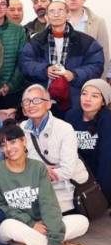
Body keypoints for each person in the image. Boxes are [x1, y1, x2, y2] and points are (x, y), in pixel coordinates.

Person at [0, 121, 89, 245]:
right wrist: (31, 224)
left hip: (41, 223)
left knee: (82, 221)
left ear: (24, 141)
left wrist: (53, 235)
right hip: (15, 223)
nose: (8, 148)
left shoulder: (38, 168)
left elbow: (48, 202)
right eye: (3, 145)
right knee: (9, 228)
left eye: (12, 142)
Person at [20, 1, 104, 114]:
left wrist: (74, 74)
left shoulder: (86, 41)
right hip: (43, 97)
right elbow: (25, 63)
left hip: (74, 97)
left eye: (60, 10)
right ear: (46, 17)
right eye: (52, 11)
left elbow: (96, 66)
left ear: (68, 15)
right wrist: (44, 70)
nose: (56, 14)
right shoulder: (36, 41)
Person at [19, 84, 89, 213]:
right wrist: (38, 170)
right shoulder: (22, 128)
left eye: (37, 100)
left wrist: (39, 174)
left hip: (67, 186)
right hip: (38, 184)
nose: (31, 104)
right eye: (26, 101)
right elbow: (21, 162)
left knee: (41, 213)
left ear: (49, 104)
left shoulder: (65, 128)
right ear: (23, 109)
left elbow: (67, 170)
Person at [66, 79, 111, 202]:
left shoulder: (107, 121)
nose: (87, 99)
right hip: (76, 174)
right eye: (84, 93)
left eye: (95, 96)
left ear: (103, 102)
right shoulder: (71, 116)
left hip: (100, 175)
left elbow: (106, 161)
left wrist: (101, 192)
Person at [64, 0, 110, 77]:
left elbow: (104, 55)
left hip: (88, 77)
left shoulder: (98, 22)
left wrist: (100, 81)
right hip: (62, 79)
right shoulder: (55, 20)